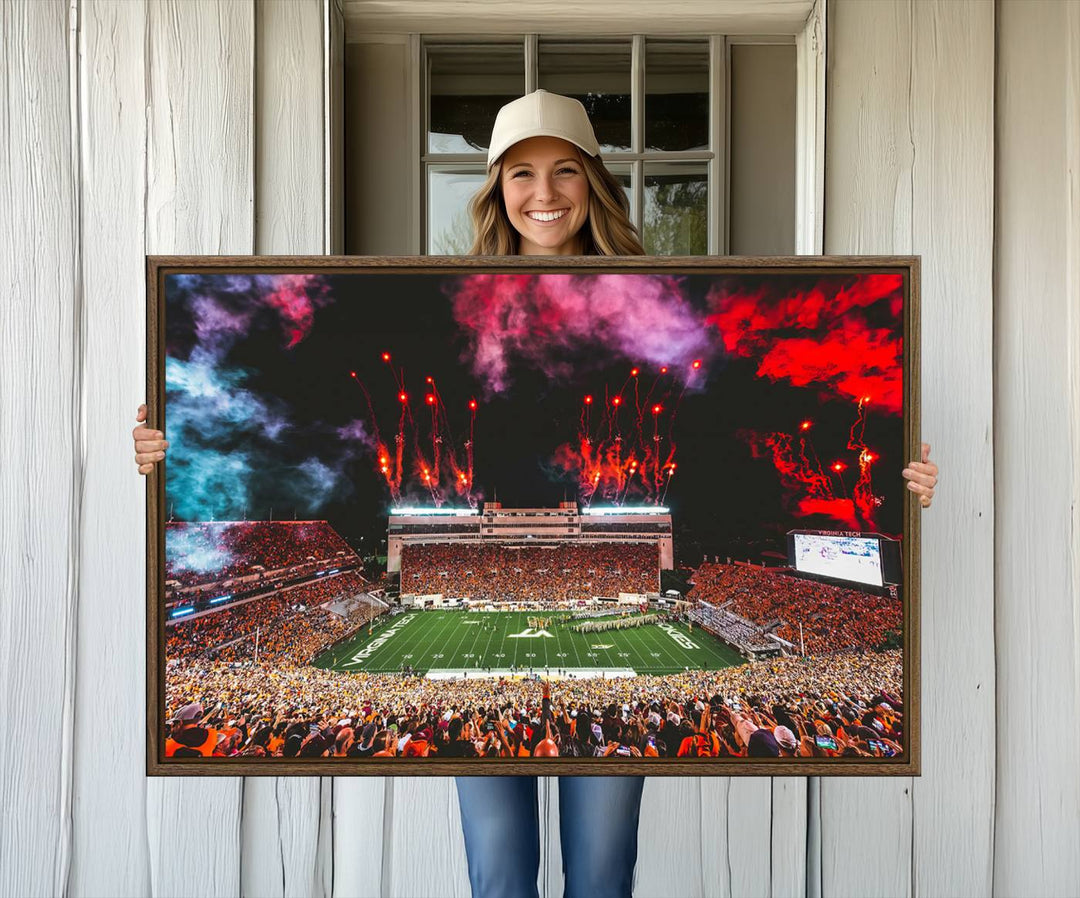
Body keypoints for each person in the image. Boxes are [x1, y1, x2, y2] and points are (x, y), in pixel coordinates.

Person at [132, 89, 940, 898]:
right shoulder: (450, 302)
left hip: (587, 518)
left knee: (600, 874)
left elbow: (750, 424)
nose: (544, 193)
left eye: (564, 171)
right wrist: (169, 444)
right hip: (500, 519)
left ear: (593, 181)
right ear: (496, 188)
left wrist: (899, 477)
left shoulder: (656, 297)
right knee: (500, 874)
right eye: (521, 173)